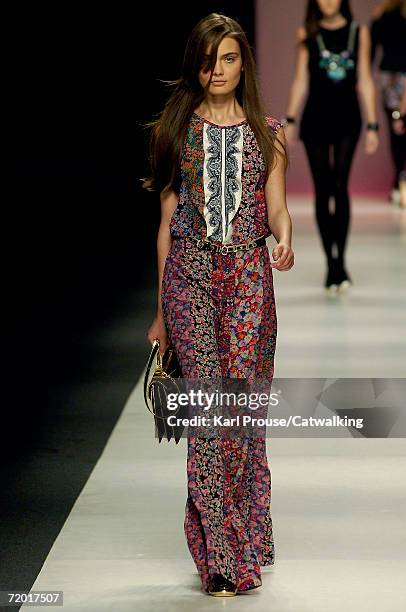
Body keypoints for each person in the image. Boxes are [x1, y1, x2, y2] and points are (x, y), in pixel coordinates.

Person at [141, 12, 294, 597]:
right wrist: (161, 314)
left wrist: (285, 236)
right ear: (195, 65)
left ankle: (248, 531)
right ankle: (221, 558)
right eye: (209, 60)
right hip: (191, 275)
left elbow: (276, 206)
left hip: (250, 277)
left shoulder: (268, 133)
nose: (219, 71)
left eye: (229, 58)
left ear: (243, 64)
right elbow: (165, 223)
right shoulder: (173, 132)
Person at [283, 0, 379, 294]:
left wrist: (374, 124)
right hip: (315, 120)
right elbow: (301, 80)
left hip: (348, 118)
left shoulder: (358, 32)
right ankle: (331, 263)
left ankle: (341, 261)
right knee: (324, 188)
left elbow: (364, 78)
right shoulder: (307, 34)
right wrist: (290, 118)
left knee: (340, 185)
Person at [370, 0, 406, 205]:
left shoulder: (381, 15)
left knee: (396, 128)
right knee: (398, 126)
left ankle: (398, 180)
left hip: (389, 77)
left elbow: (372, 49)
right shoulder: (382, 15)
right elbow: (372, 47)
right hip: (392, 78)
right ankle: (399, 179)